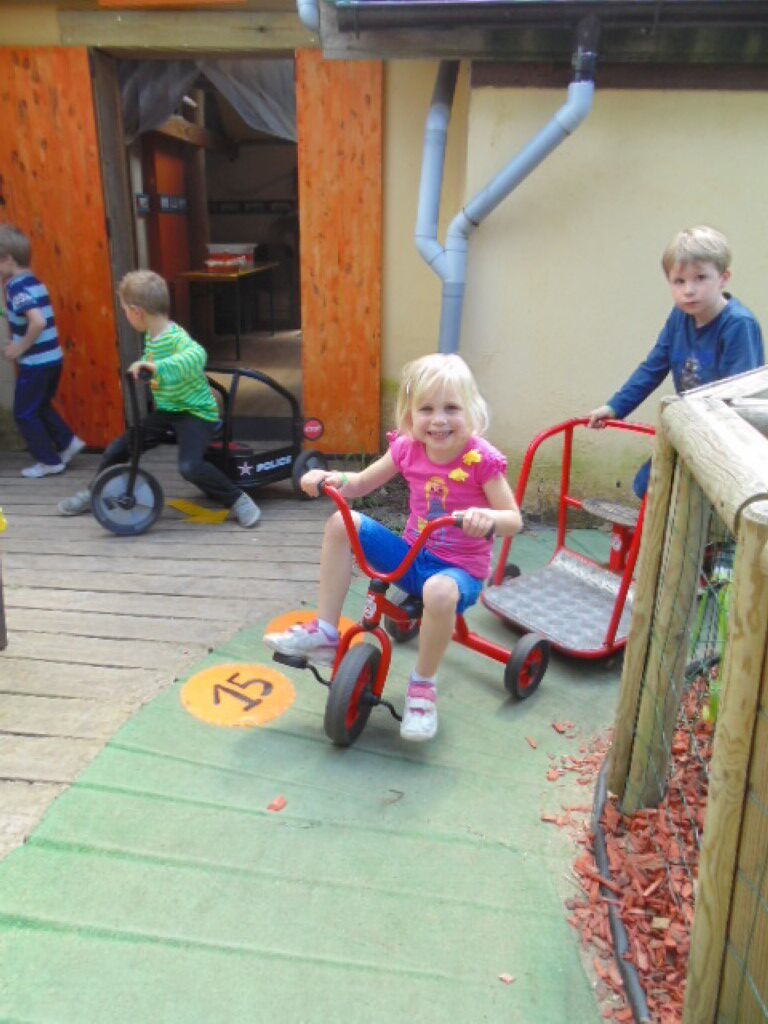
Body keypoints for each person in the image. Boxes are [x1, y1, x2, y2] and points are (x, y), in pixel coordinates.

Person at [264, 353, 522, 742]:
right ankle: (326, 634)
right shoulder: (406, 448)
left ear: (471, 410)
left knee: (438, 591)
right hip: (412, 557)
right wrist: (332, 477)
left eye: (451, 408)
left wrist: (486, 517)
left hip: (458, 573)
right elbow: (361, 483)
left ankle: (423, 688)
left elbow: (513, 520)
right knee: (341, 522)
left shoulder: (481, 460)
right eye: (427, 409)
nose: (439, 420)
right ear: (409, 414)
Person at [57, 270, 261, 528]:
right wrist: (144, 370)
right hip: (167, 411)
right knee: (118, 449)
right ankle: (96, 490)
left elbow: (196, 356)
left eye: (124, 310)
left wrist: (156, 368)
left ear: (136, 312)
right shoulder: (151, 336)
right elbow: (155, 366)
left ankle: (238, 499)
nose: (125, 315)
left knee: (190, 466)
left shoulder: (176, 337)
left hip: (195, 413)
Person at [588, 225, 764, 498]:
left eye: (700, 278)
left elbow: (738, 399)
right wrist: (615, 407)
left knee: (686, 496)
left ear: (723, 278)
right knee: (647, 485)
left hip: (727, 439)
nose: (689, 290)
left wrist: (704, 441)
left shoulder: (738, 325)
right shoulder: (680, 317)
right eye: (679, 281)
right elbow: (653, 367)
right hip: (692, 428)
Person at [0, 225, 85, 478]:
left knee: (24, 413)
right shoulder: (34, 281)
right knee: (40, 405)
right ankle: (67, 442)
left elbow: (37, 321)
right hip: (52, 360)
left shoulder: (15, 288)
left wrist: (20, 347)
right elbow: (28, 315)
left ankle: (49, 461)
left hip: (35, 364)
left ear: (8, 259)